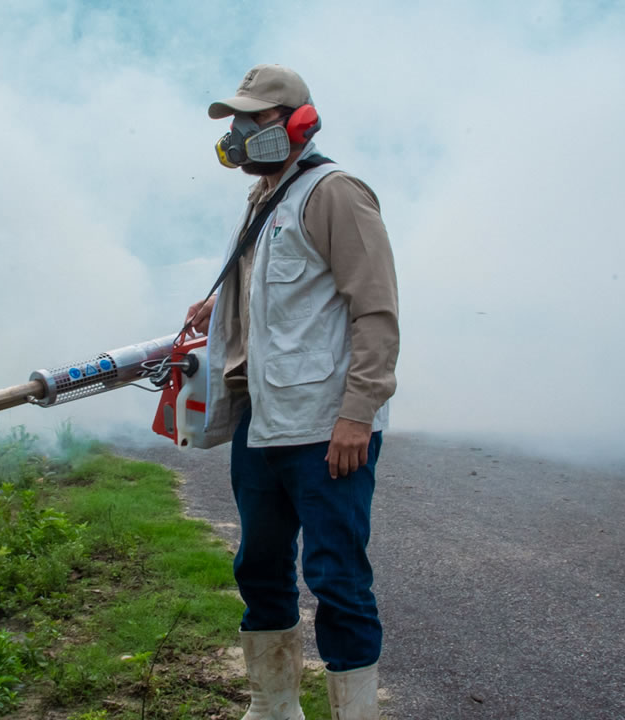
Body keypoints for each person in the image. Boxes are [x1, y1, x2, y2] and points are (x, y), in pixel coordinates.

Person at [185, 64, 399, 720]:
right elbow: (283, 294)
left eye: (256, 120)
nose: (241, 134)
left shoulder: (336, 193)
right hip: (261, 423)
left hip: (325, 431)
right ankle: (274, 709)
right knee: (260, 569)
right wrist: (218, 308)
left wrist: (357, 415)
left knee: (337, 581)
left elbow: (376, 312)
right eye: (236, 123)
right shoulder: (264, 198)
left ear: (297, 122)